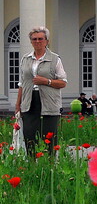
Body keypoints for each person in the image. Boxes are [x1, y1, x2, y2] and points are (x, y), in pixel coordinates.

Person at [15, 26, 67, 155]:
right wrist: (18, 105)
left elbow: (63, 82)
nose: (37, 41)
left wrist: (46, 81)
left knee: (49, 137)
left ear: (47, 41)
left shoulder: (55, 59)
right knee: (29, 136)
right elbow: (22, 83)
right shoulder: (25, 59)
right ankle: (32, 167)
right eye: (34, 39)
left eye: (40, 39)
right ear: (31, 41)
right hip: (29, 101)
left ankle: (49, 166)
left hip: (49, 102)